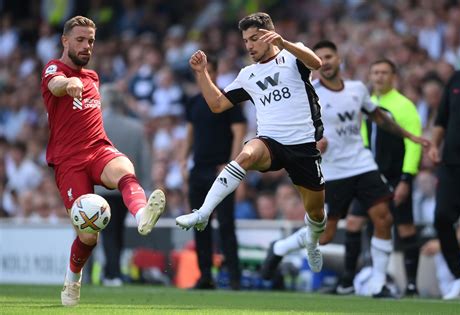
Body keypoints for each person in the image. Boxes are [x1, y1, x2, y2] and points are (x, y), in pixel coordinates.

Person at [259, 40, 429, 297]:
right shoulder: (308, 91)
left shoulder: (357, 89)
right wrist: (314, 141)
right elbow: (293, 127)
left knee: (384, 217)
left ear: (339, 60)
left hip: (362, 164)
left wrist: (410, 136)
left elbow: (379, 118)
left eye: (329, 56)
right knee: (324, 236)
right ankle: (280, 247)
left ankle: (378, 283)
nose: (325, 61)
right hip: (334, 170)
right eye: (320, 58)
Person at [176, 12, 328, 274]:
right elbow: (217, 104)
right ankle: (202, 213)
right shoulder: (247, 75)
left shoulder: (293, 55)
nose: (249, 45)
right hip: (270, 141)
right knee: (246, 154)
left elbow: (316, 63)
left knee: (316, 215)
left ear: (270, 35)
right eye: (246, 40)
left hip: (303, 146)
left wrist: (284, 43)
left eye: (255, 39)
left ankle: (310, 240)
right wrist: (201, 73)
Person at [40, 16, 166, 306]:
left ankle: (142, 214)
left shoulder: (93, 77)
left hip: (98, 149)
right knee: (88, 237)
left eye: (91, 41)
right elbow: (56, 84)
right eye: (81, 40)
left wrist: (77, 81)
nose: (87, 46)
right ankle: (72, 279)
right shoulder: (53, 69)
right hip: (69, 161)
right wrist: (67, 83)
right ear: (65, 41)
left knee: (124, 169)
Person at [338, 59, 423, 296]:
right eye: (375, 72)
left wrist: (407, 177)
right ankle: (347, 280)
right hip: (368, 176)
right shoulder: (367, 104)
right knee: (354, 222)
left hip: (396, 176)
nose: (379, 77)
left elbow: (414, 143)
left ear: (393, 76)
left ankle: (412, 285)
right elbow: (361, 137)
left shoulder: (404, 106)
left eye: (384, 72)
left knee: (404, 228)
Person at [180, 56, 246, 290]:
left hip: (221, 169)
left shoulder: (228, 101)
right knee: (200, 224)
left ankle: (234, 277)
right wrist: (183, 162)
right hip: (199, 169)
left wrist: (232, 164)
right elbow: (190, 133)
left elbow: (239, 132)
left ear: (215, 73)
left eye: (207, 72)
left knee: (226, 225)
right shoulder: (194, 102)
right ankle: (205, 275)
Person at [427, 28, 460, 300]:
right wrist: (434, 145)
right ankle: (458, 278)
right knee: (442, 219)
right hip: (452, 165)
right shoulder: (456, 79)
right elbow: (442, 119)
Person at [96, 84, 153, 287]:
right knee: (117, 230)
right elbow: (145, 160)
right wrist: (146, 187)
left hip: (100, 188)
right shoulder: (135, 128)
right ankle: (112, 271)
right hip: (126, 188)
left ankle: (112, 273)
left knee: (107, 232)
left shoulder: (96, 124)